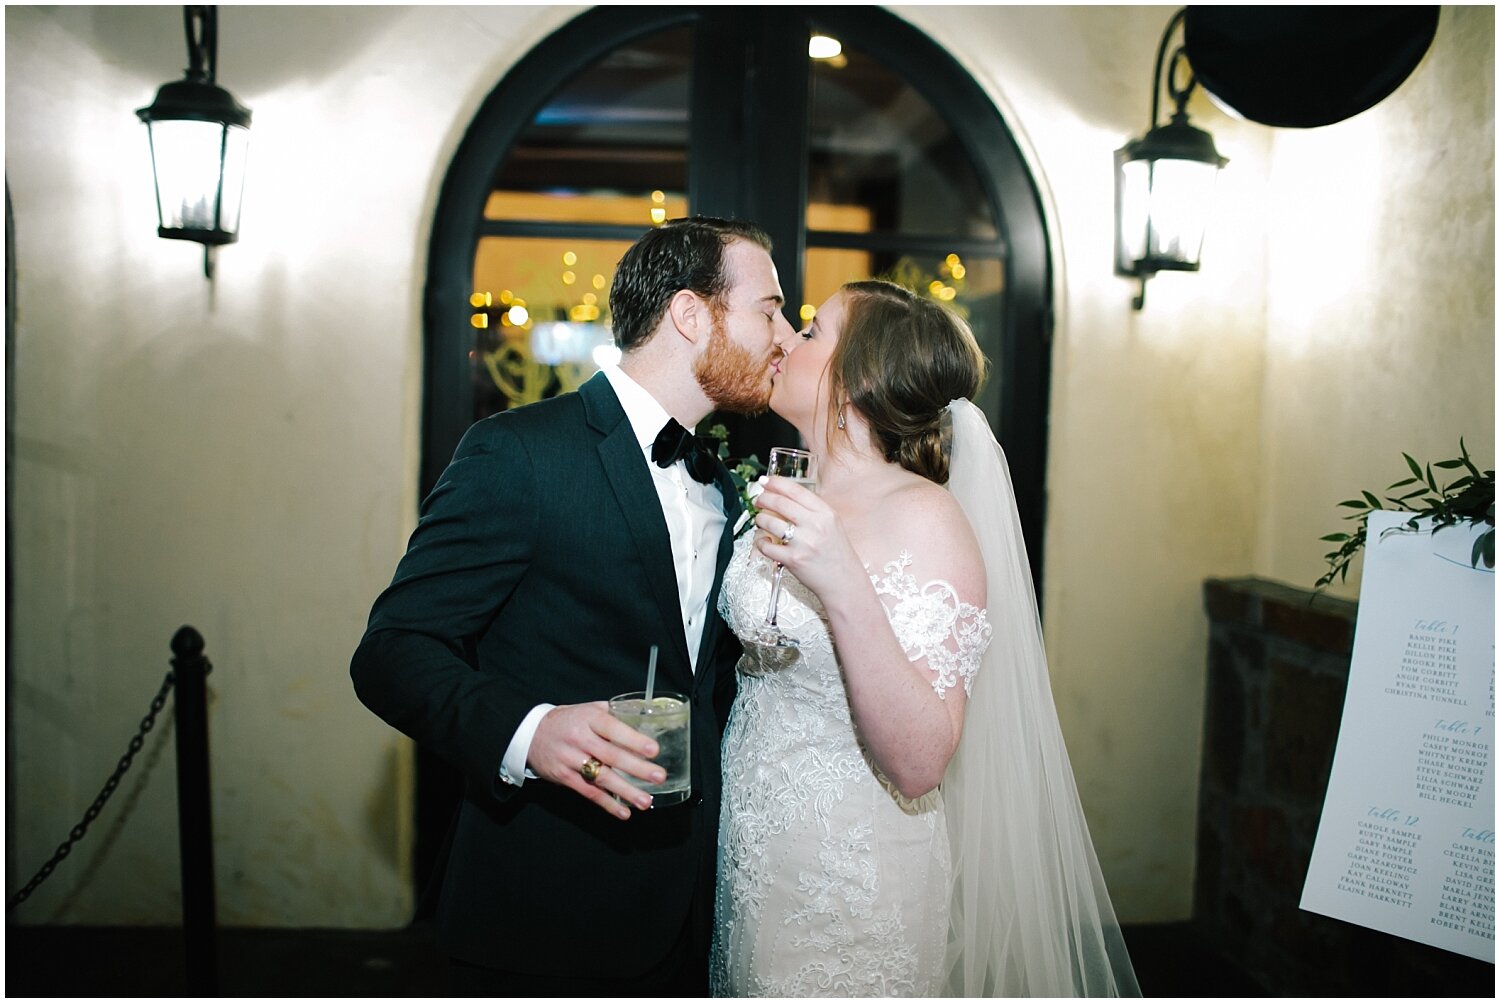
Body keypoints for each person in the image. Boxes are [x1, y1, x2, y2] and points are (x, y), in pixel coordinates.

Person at [351, 216, 796, 996]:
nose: (783, 335)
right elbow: (393, 651)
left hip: (689, 915)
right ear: (693, 315)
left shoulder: (723, 487)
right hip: (545, 908)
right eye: (769, 308)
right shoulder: (519, 452)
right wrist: (532, 731)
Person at [711, 279, 1140, 997]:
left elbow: (919, 762)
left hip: (853, 879)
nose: (785, 339)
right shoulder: (789, 488)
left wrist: (840, 576)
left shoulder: (927, 519)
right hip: (757, 854)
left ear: (860, 379)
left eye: (812, 331)